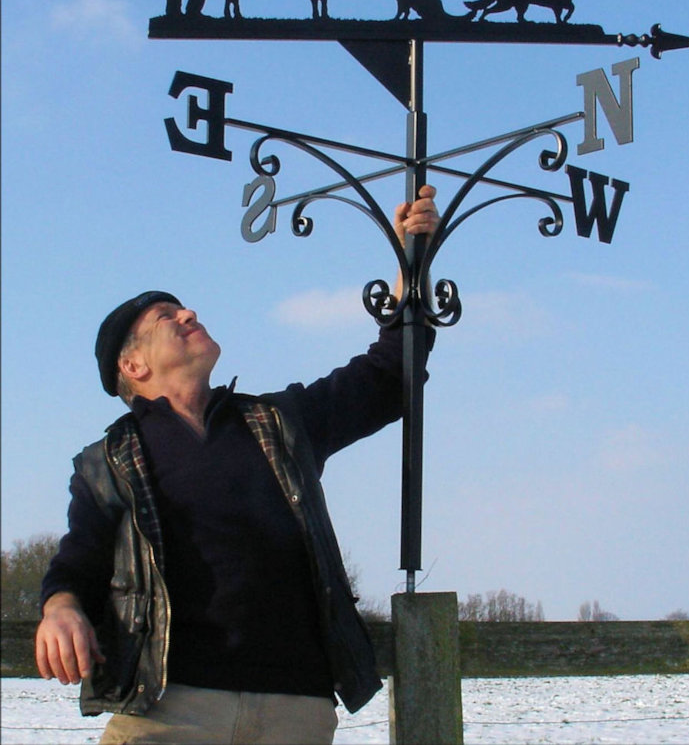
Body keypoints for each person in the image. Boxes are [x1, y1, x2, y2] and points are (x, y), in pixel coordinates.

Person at [36, 186, 439, 745]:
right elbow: (77, 563)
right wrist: (59, 609)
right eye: (165, 316)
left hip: (294, 707)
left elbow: (387, 377)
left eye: (184, 308)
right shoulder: (107, 463)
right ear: (132, 364)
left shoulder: (278, 422)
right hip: (170, 708)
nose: (189, 313)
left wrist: (410, 262)